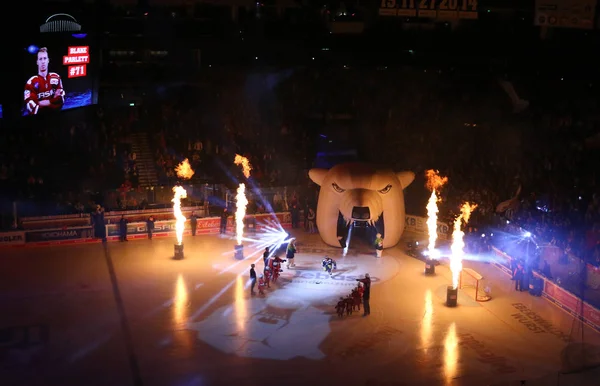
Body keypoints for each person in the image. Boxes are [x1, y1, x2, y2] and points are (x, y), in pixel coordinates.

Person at [24, 47, 65, 115]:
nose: (43, 62)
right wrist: (52, 102)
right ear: (37, 62)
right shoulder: (31, 82)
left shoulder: (56, 77)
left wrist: (46, 102)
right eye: (40, 59)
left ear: (48, 60)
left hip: (56, 117)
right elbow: (31, 107)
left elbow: (60, 100)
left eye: (45, 58)